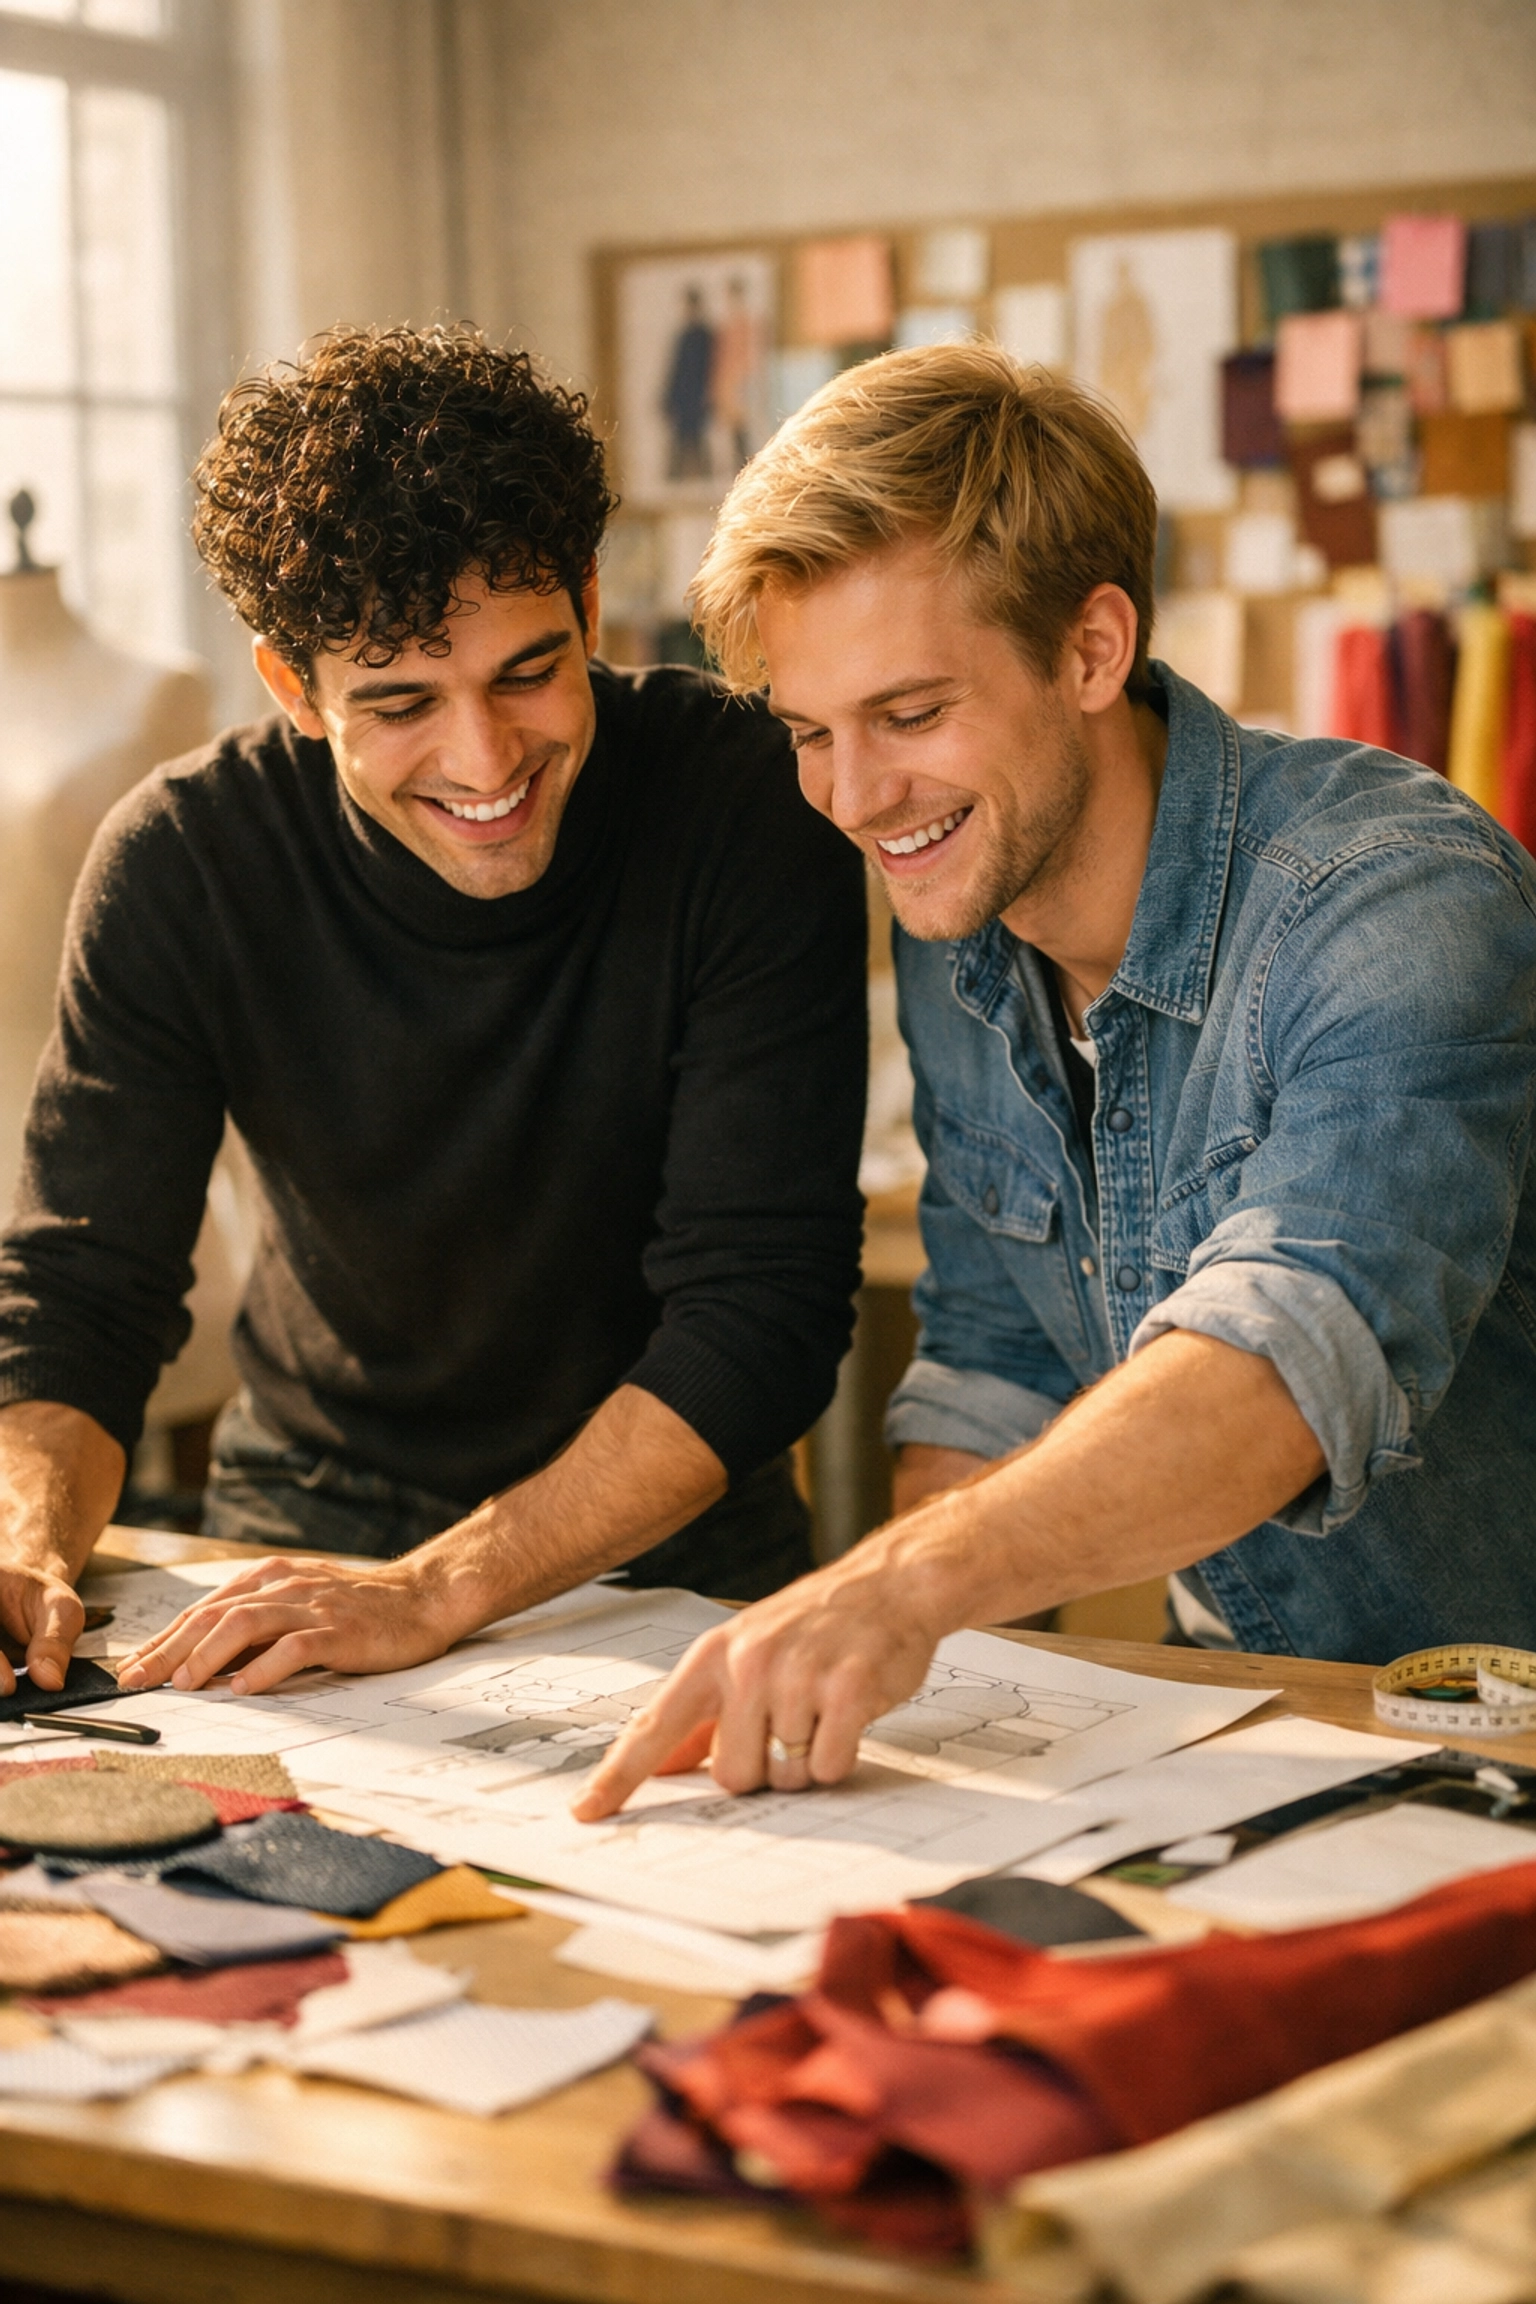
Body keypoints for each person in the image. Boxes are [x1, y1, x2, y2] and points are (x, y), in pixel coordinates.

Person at [576, 341, 1536, 1821]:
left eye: (908, 715)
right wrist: (884, 1697)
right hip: (1264, 1727)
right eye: (808, 733)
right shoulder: (971, 919)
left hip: (1493, 1727)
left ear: (1092, 649)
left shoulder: (1393, 898)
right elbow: (997, 1361)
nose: (851, 797)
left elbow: (1288, 1369)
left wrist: (893, 1590)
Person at [0, 324, 866, 1702]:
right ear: (292, 684)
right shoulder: (182, 864)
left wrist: (435, 1591)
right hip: (297, 1539)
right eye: (399, 703)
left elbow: (759, 1311)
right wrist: (27, 1541)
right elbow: (78, 1303)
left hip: (673, 1561)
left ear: (587, 600)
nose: (486, 760)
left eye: (527, 671)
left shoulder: (744, 802)